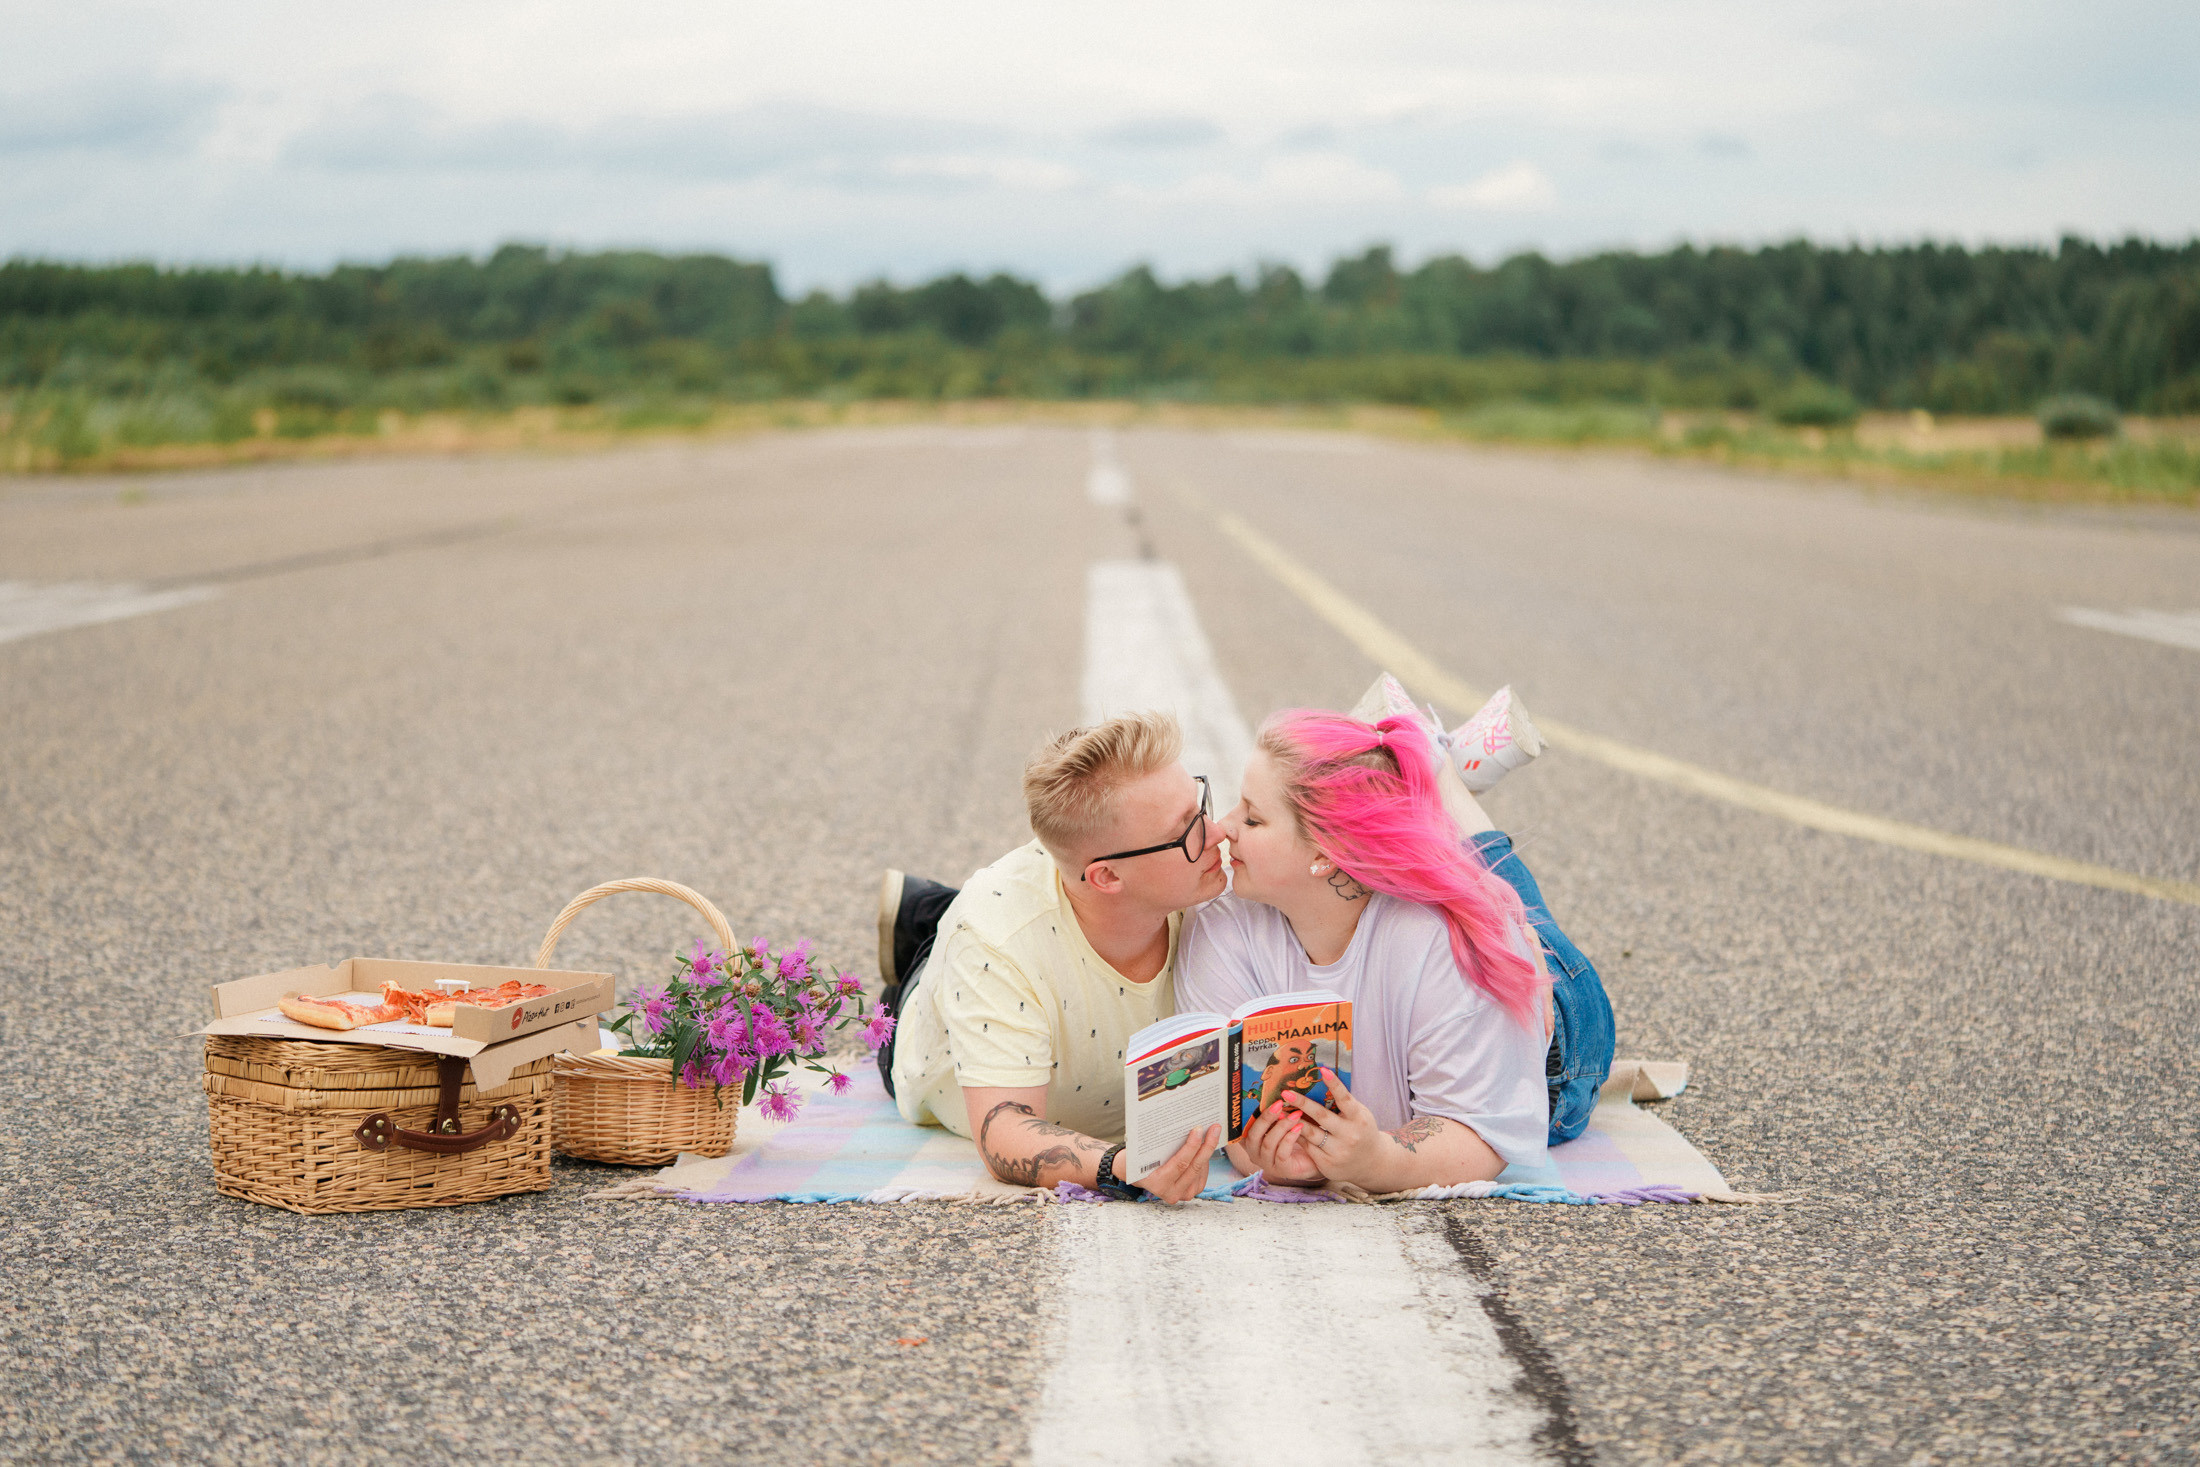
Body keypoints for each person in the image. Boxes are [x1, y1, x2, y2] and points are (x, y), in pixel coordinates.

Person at [1176, 705, 1614, 1192]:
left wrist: (1378, 1161)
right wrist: (1266, 1154)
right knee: (1445, 865)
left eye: (1253, 819)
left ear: (1324, 852)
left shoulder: (1443, 941)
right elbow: (1229, 1111)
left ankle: (1437, 765)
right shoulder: (1219, 921)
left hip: (1557, 1041)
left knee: (1489, 884)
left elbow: (1483, 1136)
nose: (1222, 828)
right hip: (1405, 912)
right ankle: (1410, 769)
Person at [874, 712, 1226, 1204]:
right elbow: (1002, 1132)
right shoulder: (995, 940)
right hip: (938, 1044)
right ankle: (929, 928)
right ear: (1106, 877)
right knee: (956, 950)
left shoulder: (1203, 880)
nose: (1218, 832)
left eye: (1202, 806)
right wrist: (1121, 1166)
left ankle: (933, 910)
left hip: (1057, 906)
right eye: (1187, 829)